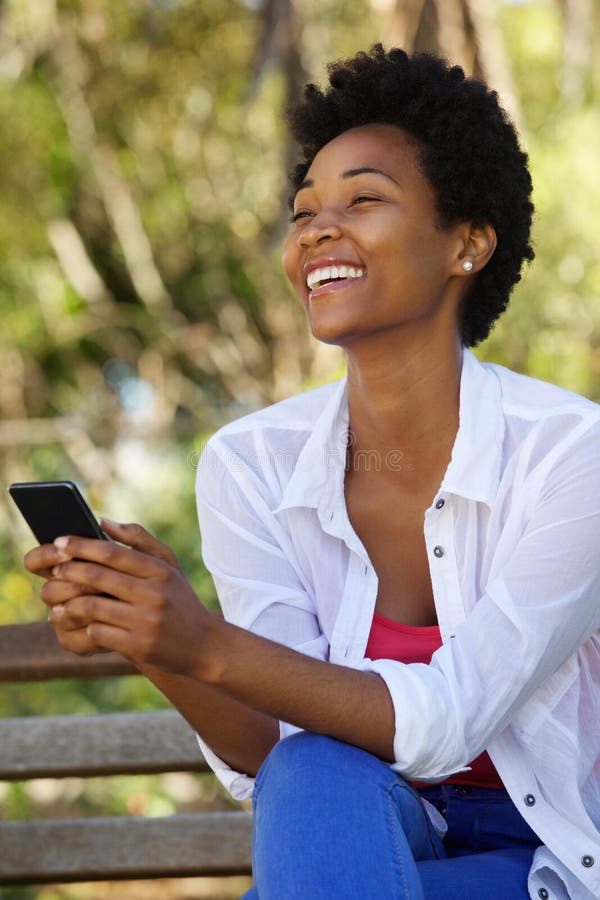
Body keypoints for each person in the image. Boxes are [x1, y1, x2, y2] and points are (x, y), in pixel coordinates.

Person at [25, 46, 600, 899]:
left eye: (364, 198)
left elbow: (449, 721)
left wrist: (206, 643)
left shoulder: (571, 453)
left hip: (543, 855)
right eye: (303, 213)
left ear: (469, 243)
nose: (317, 230)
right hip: (357, 828)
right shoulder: (252, 465)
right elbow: (279, 748)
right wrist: (156, 646)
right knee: (311, 771)